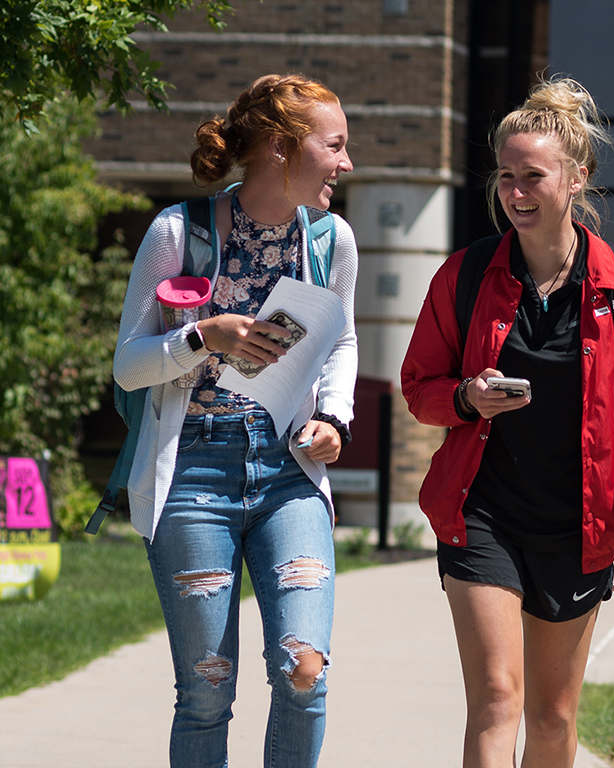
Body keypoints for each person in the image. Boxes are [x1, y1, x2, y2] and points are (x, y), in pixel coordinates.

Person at [401, 76, 614, 768]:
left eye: (533, 176)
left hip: (578, 525)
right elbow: (419, 387)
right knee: (497, 695)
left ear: (576, 178)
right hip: (483, 511)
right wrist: (466, 398)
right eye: (505, 177)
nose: (516, 193)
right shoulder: (464, 278)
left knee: (553, 720)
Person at [113, 73, 357, 768]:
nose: (346, 163)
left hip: (288, 471)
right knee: (206, 693)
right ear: (282, 146)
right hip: (192, 473)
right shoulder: (176, 232)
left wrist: (334, 417)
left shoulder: (330, 239)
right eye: (335, 146)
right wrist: (201, 338)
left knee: (305, 673)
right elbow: (128, 367)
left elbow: (339, 338)